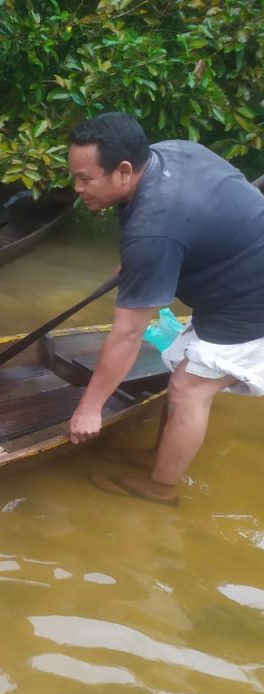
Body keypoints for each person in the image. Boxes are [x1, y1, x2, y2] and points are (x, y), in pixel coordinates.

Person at [66, 111, 264, 506]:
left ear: (124, 170)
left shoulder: (154, 229)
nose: (77, 187)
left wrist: (90, 409)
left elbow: (128, 334)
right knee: (181, 373)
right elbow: (211, 209)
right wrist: (146, 259)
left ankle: (161, 490)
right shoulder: (173, 152)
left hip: (252, 300)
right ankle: (159, 455)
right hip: (238, 267)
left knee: (189, 388)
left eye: (86, 179)